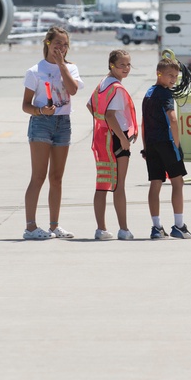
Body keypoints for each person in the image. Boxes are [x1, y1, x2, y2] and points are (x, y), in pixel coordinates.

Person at [21, 27, 84, 239]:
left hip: (63, 123)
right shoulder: (35, 71)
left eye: (65, 44)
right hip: (41, 123)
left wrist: (61, 65)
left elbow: (73, 90)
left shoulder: (70, 68)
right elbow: (26, 105)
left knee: (56, 177)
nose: (62, 48)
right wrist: (40, 110)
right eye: (58, 43)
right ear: (48, 43)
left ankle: (54, 225)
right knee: (38, 176)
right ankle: (30, 226)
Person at [86, 50, 137, 240]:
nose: (125, 68)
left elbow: (91, 105)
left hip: (102, 139)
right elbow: (110, 115)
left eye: (128, 65)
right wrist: (122, 138)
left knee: (102, 183)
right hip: (116, 137)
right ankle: (123, 229)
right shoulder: (116, 88)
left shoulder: (102, 84)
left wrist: (102, 125)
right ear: (111, 65)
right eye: (121, 65)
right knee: (119, 185)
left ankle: (101, 229)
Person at [141, 57, 191, 239]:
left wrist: (145, 147)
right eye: (170, 75)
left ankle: (156, 227)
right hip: (166, 143)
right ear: (159, 73)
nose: (173, 79)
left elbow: (144, 123)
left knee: (156, 183)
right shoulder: (165, 94)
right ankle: (179, 226)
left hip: (152, 144)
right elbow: (173, 119)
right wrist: (176, 146)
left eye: (176, 76)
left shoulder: (148, 93)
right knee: (178, 182)